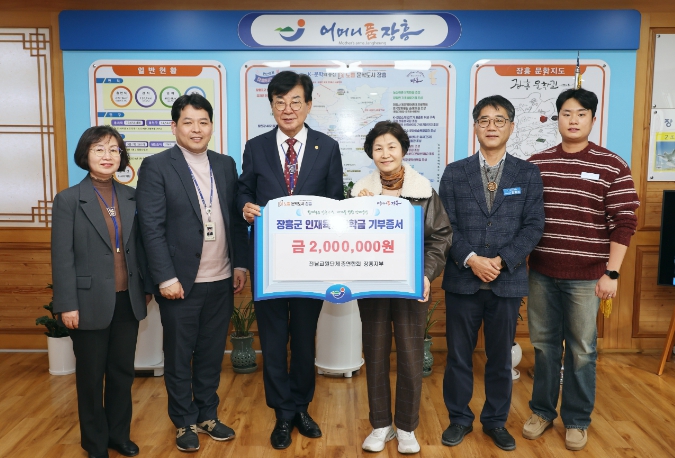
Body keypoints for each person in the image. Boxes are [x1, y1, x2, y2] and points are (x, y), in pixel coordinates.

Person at [524, 88, 639, 451]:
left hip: (588, 276)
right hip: (542, 272)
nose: (573, 120)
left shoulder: (612, 165)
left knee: (582, 351)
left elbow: (625, 221)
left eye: (581, 114)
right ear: (556, 118)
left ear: (593, 119)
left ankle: (576, 419)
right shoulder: (537, 163)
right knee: (544, 347)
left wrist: (612, 273)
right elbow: (525, 217)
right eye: (566, 113)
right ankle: (542, 411)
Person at [237, 70, 344, 449]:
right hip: (268, 263)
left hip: (311, 263)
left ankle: (301, 407)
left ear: (309, 105)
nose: (288, 109)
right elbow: (244, 191)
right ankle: (282, 413)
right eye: (280, 102)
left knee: (303, 339)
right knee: (272, 339)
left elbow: (336, 202)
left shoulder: (327, 147)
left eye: (295, 101)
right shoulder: (256, 147)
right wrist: (245, 207)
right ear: (271, 106)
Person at [136, 94, 248, 452]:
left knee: (212, 354)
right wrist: (165, 277)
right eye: (188, 122)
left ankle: (207, 415)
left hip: (221, 278)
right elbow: (151, 227)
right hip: (180, 283)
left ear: (211, 126)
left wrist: (240, 264)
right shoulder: (157, 166)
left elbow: (234, 220)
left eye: (203, 122)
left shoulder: (225, 164)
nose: (196, 129)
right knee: (179, 354)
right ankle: (183, 419)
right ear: (174, 127)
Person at [439, 95, 545, 452]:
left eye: (499, 120)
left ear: (511, 127)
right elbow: (446, 226)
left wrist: (501, 260)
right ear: (475, 127)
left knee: (500, 359)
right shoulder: (455, 172)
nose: (491, 126)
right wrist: (471, 259)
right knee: (458, 356)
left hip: (506, 280)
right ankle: (459, 419)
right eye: (484, 120)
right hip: (462, 279)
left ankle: (495, 422)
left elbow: (533, 226)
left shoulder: (527, 174)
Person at [350, 121, 452, 454]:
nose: (385, 153)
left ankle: (407, 427)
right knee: (375, 354)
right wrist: (358, 210)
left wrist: (426, 274)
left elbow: (440, 237)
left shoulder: (424, 191)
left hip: (411, 286)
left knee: (410, 357)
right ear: (371, 153)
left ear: (403, 150)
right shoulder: (358, 193)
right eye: (378, 148)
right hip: (372, 287)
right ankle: (381, 425)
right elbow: (345, 239)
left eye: (391, 146)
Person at [51, 126, 150, 458]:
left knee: (122, 373)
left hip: (127, 299)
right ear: (85, 154)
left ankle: (118, 435)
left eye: (114, 150)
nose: (107, 156)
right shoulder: (69, 199)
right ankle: (95, 443)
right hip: (87, 302)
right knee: (91, 378)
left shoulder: (131, 196)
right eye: (99, 149)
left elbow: (141, 247)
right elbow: (62, 256)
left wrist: (145, 288)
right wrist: (67, 304)